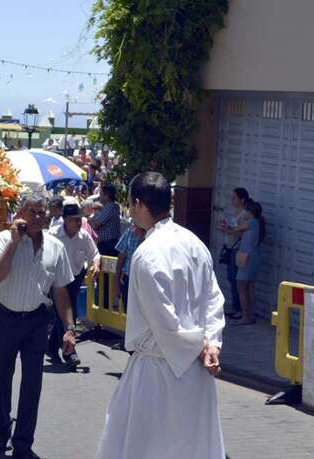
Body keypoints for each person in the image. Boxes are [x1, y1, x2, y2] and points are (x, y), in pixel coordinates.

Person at [94, 172, 225, 458]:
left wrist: (203, 345)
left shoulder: (148, 254)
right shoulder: (195, 244)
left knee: (148, 447)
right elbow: (214, 299)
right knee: (191, 447)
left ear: (139, 204)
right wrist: (211, 343)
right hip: (195, 371)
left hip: (158, 373)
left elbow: (164, 323)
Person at [0, 194, 77, 459]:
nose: (39, 217)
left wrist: (70, 328)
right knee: (0, 379)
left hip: (36, 321)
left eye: (43, 212)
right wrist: (13, 244)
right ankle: (3, 424)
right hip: (4, 318)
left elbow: (60, 291)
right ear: (21, 214)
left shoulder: (55, 247)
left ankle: (23, 443)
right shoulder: (5, 239)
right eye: (33, 212)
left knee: (32, 385)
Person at [48, 198, 99, 367]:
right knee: (64, 314)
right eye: (76, 219)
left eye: (80, 219)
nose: (80, 222)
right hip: (56, 282)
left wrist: (96, 265)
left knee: (62, 316)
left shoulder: (84, 236)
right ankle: (70, 352)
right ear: (65, 220)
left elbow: (95, 253)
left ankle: (52, 346)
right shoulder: (53, 234)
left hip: (75, 279)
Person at [217, 187, 250, 319]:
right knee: (231, 279)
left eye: (235, 198)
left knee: (236, 279)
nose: (232, 200)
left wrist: (229, 230)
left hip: (237, 249)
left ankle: (240, 309)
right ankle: (235, 307)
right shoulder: (236, 212)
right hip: (230, 247)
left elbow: (242, 233)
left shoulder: (244, 215)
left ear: (242, 199)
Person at [235, 200, 265, 325]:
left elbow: (236, 229)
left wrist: (229, 227)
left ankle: (245, 316)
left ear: (250, 212)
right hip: (252, 258)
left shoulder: (252, 222)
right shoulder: (256, 223)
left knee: (241, 286)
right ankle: (250, 314)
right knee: (249, 286)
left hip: (248, 258)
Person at [90, 185, 121, 257]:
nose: (99, 197)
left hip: (108, 245)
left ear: (106, 196)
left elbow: (95, 225)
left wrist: (88, 218)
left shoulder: (110, 207)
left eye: (100, 194)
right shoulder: (105, 207)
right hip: (105, 244)